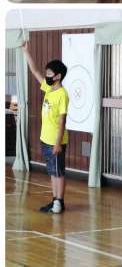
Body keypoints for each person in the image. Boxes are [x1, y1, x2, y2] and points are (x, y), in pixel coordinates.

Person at [21, 41, 69, 214]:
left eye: (50, 73)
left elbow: (62, 121)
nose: (46, 75)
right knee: (52, 172)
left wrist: (57, 143)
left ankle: (59, 202)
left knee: (58, 172)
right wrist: (26, 52)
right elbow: (35, 71)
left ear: (58, 76)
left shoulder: (62, 95)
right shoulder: (49, 89)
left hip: (56, 141)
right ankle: (55, 200)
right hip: (46, 139)